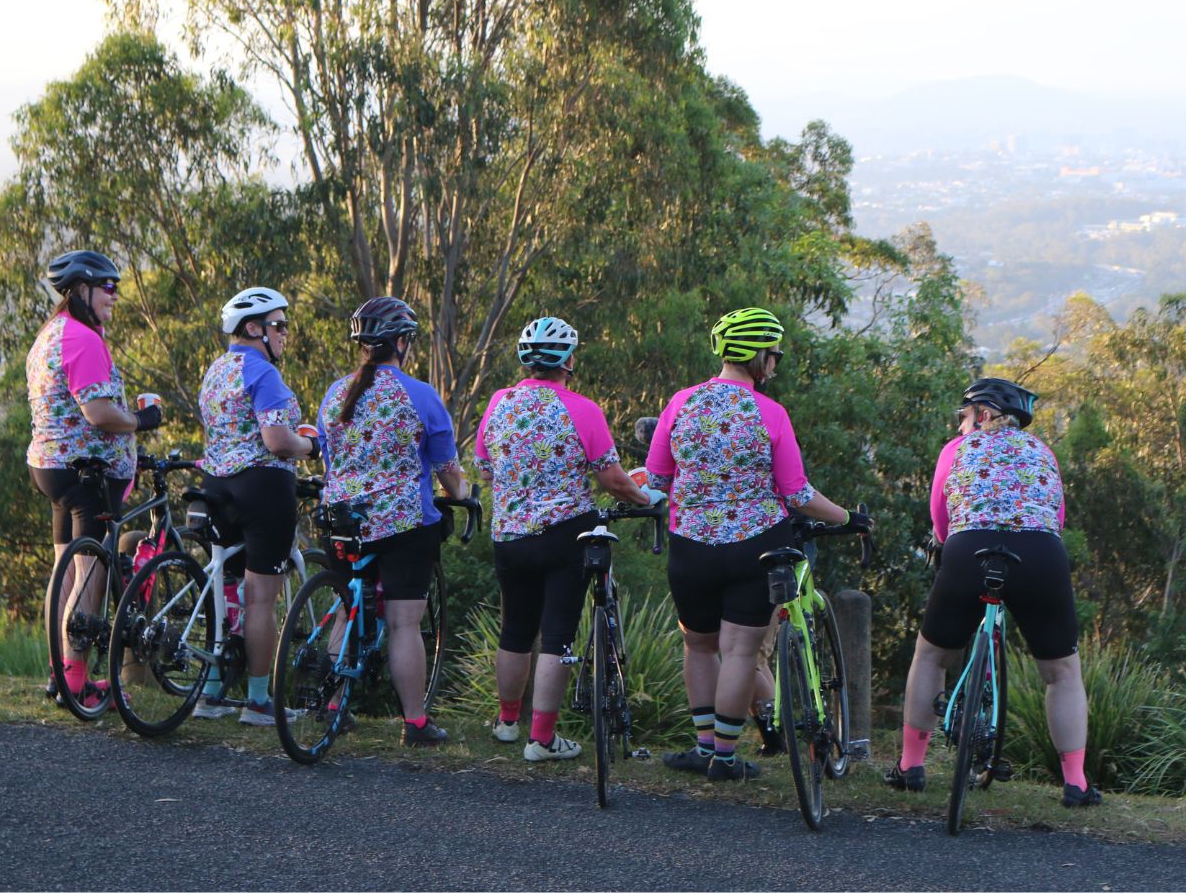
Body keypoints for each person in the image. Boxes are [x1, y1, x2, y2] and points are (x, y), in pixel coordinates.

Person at [645, 308, 870, 781]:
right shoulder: (770, 413)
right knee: (741, 653)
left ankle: (703, 747)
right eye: (775, 355)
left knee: (699, 648)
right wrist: (850, 517)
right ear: (756, 356)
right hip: (757, 548)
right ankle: (725, 758)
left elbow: (659, 478)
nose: (776, 364)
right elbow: (797, 493)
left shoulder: (681, 403)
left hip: (690, 547)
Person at [888, 377, 1101, 808]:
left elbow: (941, 518)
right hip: (1041, 553)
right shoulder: (1043, 450)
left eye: (964, 417)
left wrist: (949, 547)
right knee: (1061, 671)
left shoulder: (956, 450)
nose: (961, 426)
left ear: (982, 415)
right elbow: (1056, 516)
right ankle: (1076, 783)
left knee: (932, 655)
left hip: (970, 550)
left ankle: (911, 766)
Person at [474, 316, 661, 763]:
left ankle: (505, 723)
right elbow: (613, 479)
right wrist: (644, 497)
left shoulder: (499, 403)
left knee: (515, 630)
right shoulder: (582, 409)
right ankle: (542, 739)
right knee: (557, 634)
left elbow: (484, 467)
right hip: (566, 534)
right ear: (569, 361)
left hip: (510, 535)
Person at [317, 297, 471, 746]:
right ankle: (415, 723)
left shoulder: (335, 393)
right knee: (405, 623)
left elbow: (331, 460)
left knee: (350, 607)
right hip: (404, 524)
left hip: (343, 519)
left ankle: (334, 704)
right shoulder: (419, 395)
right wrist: (462, 495)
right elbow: (448, 472)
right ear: (401, 343)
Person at [29, 250, 163, 708]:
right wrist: (143, 421)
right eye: (108, 287)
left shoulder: (51, 333)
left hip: (54, 468)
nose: (114, 295)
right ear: (81, 290)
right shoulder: (82, 339)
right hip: (86, 473)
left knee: (65, 570)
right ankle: (77, 681)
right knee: (91, 573)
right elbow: (99, 412)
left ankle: (59, 673)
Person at [195, 286, 316, 725]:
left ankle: (210, 692)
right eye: (279, 325)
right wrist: (311, 445)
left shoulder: (215, 371)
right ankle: (259, 701)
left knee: (225, 591)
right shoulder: (263, 374)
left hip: (217, 486)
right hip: (262, 488)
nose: (285, 334)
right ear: (254, 328)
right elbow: (277, 440)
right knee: (261, 599)